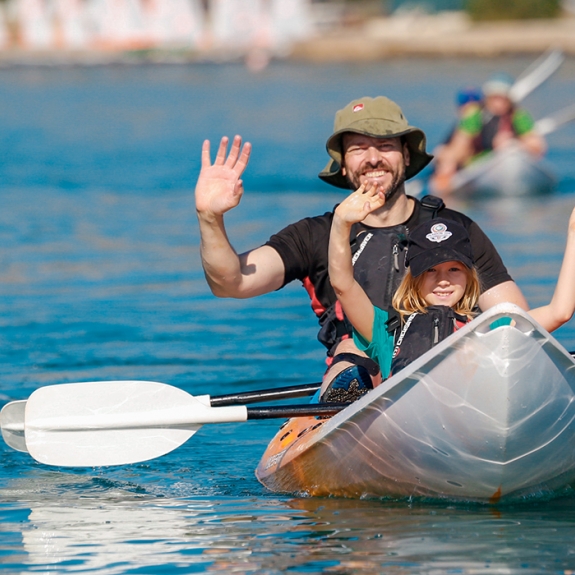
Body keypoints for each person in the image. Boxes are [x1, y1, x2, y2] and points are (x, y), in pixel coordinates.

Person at [195, 95, 528, 399]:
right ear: (343, 165)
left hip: (450, 370)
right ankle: (343, 396)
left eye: (385, 145)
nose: (372, 158)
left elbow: (513, 318)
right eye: (357, 148)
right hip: (358, 375)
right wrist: (210, 217)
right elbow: (231, 282)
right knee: (351, 357)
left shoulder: (453, 229)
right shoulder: (314, 235)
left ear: (406, 155)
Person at [328, 183, 575, 395]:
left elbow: (560, 312)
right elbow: (343, 285)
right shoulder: (384, 331)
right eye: (431, 270)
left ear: (469, 277)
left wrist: (574, 232)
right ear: (413, 279)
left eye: (454, 270)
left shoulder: (493, 331)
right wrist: (340, 223)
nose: (443, 280)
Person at [431, 73, 547, 195]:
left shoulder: (519, 116)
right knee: (447, 164)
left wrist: (514, 144)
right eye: (495, 98)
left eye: (503, 98)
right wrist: (448, 159)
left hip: (506, 155)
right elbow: (460, 148)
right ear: (488, 98)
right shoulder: (475, 116)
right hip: (478, 161)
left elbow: (538, 146)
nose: (499, 102)